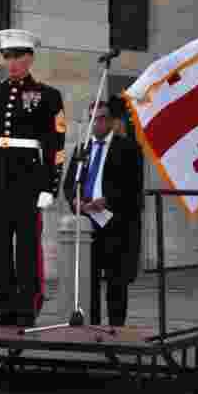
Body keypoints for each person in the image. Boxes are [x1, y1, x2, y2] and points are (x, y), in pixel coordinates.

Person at [0, 29, 65, 328]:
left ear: (30, 58)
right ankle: (5, 305)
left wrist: (50, 186)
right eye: (7, 56)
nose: (12, 62)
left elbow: (56, 144)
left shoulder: (48, 96)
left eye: (18, 56)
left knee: (26, 247)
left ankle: (27, 307)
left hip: (27, 179)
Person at [62, 96, 143, 327]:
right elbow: (69, 184)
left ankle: (117, 330)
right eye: (92, 120)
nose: (96, 124)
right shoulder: (83, 149)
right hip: (88, 224)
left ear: (111, 121)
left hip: (115, 223)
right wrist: (75, 201)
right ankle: (93, 326)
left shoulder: (127, 148)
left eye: (101, 119)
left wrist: (107, 200)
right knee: (90, 282)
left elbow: (133, 187)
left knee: (116, 283)